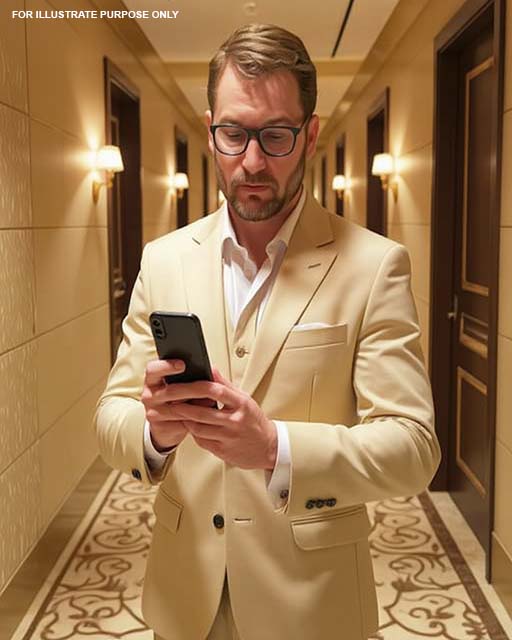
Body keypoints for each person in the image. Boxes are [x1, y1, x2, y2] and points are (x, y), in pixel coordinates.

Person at [94, 23, 441, 640]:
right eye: (234, 134)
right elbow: (110, 416)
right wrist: (154, 434)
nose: (252, 162)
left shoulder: (374, 264)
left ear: (311, 135)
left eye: (276, 136)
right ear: (210, 130)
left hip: (313, 604)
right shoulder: (164, 259)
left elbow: (413, 449)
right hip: (186, 597)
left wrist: (276, 447)